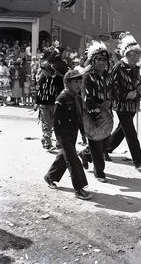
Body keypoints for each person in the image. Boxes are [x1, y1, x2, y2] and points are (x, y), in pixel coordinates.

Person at [44, 70, 93, 200]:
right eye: (75, 82)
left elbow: (79, 117)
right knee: (73, 160)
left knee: (63, 157)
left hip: (73, 133)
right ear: (67, 83)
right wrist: (59, 138)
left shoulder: (76, 97)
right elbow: (55, 120)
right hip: (64, 135)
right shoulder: (62, 98)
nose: (78, 85)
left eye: (79, 82)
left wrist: (83, 133)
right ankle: (79, 188)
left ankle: (50, 177)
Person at [106, 32, 141, 173]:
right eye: (136, 54)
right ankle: (138, 161)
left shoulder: (136, 68)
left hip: (132, 104)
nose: (138, 56)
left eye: (138, 54)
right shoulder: (118, 67)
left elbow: (135, 84)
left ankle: (104, 149)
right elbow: (112, 86)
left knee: (121, 131)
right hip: (121, 104)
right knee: (130, 133)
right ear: (128, 54)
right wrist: (125, 94)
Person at [80, 41, 113, 183]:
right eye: (99, 59)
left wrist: (110, 102)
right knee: (95, 142)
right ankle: (99, 172)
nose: (102, 62)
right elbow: (87, 99)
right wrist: (98, 110)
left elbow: (112, 93)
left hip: (106, 114)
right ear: (93, 61)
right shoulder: (87, 77)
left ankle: (85, 154)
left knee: (105, 143)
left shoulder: (107, 76)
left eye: (104, 60)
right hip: (91, 114)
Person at [34, 62, 64, 149]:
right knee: (46, 123)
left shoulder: (58, 79)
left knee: (56, 123)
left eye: (45, 71)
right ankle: (47, 141)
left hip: (55, 104)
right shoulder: (42, 78)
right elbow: (39, 90)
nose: (44, 73)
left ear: (50, 71)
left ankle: (59, 141)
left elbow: (61, 92)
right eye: (43, 71)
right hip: (44, 104)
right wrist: (36, 102)